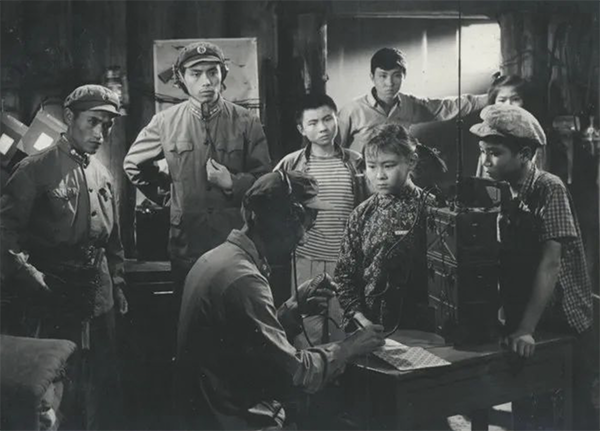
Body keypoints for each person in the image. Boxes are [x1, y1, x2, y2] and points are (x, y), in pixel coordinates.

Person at [174, 170, 385, 431]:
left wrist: (293, 309)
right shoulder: (244, 280)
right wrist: (350, 347)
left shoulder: (217, 259)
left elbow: (246, 345)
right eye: (303, 227)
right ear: (284, 220)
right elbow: (294, 375)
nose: (303, 239)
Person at [0, 84, 128, 431]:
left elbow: (114, 241)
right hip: (53, 294)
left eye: (107, 125)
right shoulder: (34, 170)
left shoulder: (102, 173)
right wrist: (30, 276)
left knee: (98, 381)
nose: (100, 133)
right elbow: (4, 234)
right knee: (57, 387)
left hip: (99, 296)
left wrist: (117, 283)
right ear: (69, 118)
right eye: (93, 122)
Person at [470, 104, 596, 431]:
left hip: (562, 319)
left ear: (525, 154)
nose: (486, 161)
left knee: (571, 413)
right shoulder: (501, 192)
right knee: (527, 407)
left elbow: (550, 263)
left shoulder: (549, 188)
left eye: (495, 153)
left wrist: (526, 327)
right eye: (483, 152)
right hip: (526, 314)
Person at [123, 41, 272, 301]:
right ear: (182, 78)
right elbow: (133, 165)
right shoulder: (165, 122)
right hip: (187, 245)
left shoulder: (247, 121)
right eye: (195, 74)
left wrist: (232, 183)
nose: (206, 81)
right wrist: (170, 197)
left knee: (236, 312)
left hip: (235, 243)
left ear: (223, 74)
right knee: (191, 315)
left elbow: (265, 182)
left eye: (213, 72)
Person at [335, 123, 437, 332]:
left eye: (388, 166)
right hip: (370, 326)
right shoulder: (361, 214)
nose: (379, 175)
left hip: (424, 327)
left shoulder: (433, 210)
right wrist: (361, 320)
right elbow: (345, 276)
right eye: (372, 166)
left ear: (411, 161)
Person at [275, 93, 367, 284]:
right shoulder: (291, 164)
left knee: (345, 304)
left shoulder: (356, 161)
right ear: (301, 129)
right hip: (306, 259)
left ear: (337, 119)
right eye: (313, 123)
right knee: (307, 304)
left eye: (327, 119)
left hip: (347, 258)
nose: (323, 128)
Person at [337, 47, 488, 153]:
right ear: (372, 77)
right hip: (360, 182)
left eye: (396, 75)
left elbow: (447, 107)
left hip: (398, 181)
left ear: (404, 76)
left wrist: (492, 96)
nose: (389, 83)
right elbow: (334, 150)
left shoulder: (410, 104)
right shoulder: (352, 110)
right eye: (383, 76)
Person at [475, 73, 545, 175]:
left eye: (515, 99)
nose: (508, 105)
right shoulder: (488, 132)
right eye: (502, 100)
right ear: (493, 103)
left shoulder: (532, 132)